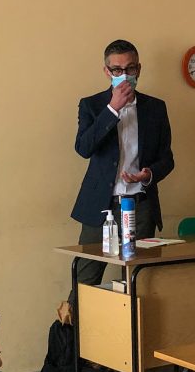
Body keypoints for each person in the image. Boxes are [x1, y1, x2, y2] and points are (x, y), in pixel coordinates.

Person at [71, 39, 174, 288]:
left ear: (139, 69)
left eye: (130, 68)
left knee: (138, 280)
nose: (124, 75)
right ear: (107, 72)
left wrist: (148, 174)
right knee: (85, 280)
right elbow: (83, 148)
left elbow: (167, 159)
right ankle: (77, 317)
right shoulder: (91, 105)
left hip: (141, 206)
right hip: (100, 207)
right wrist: (112, 109)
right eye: (117, 69)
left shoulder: (155, 108)